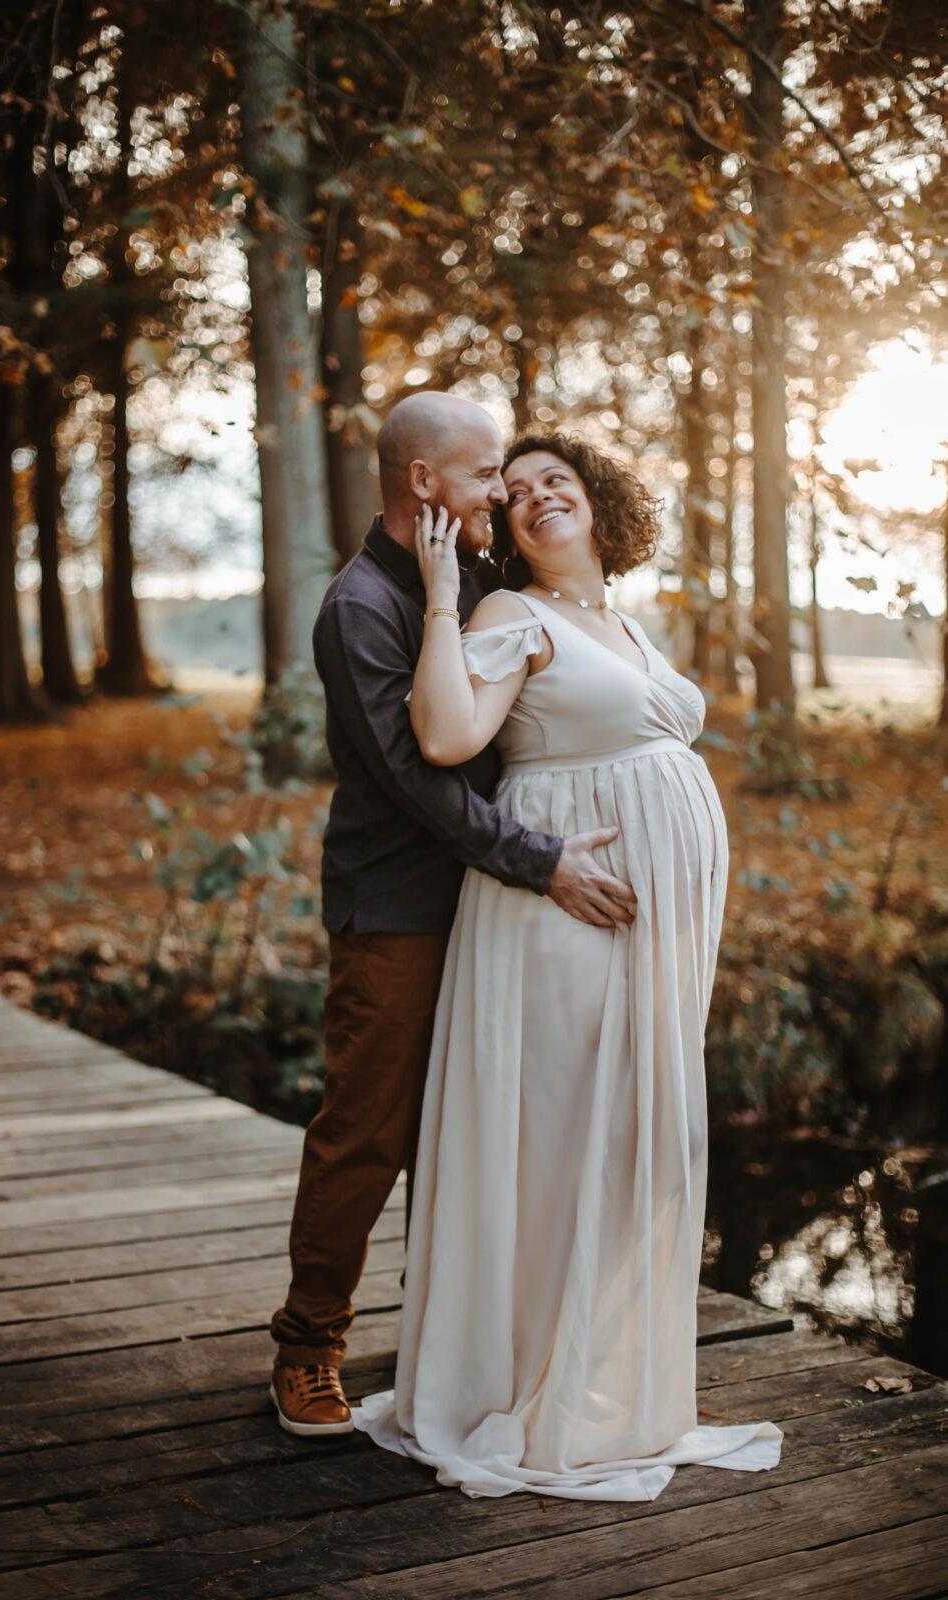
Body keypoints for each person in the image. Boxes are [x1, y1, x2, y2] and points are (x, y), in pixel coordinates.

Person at [349, 433, 785, 1500]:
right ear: (504, 523)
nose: (540, 496)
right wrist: (447, 595)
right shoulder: (508, 614)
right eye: (520, 489)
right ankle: (525, 1385)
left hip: (648, 932)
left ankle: (587, 1371)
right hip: (563, 912)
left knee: (638, 1136)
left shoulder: (620, 621)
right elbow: (447, 736)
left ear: (598, 503)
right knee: (563, 1140)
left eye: (562, 481)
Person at [269, 397, 638, 1436]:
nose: (500, 495)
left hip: (493, 898)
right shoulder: (358, 609)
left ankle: (449, 1338)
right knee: (366, 1132)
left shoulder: (478, 574)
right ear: (424, 482)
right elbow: (412, 780)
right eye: (486, 476)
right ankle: (307, 1342)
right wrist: (540, 859)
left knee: (475, 1128)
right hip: (400, 906)